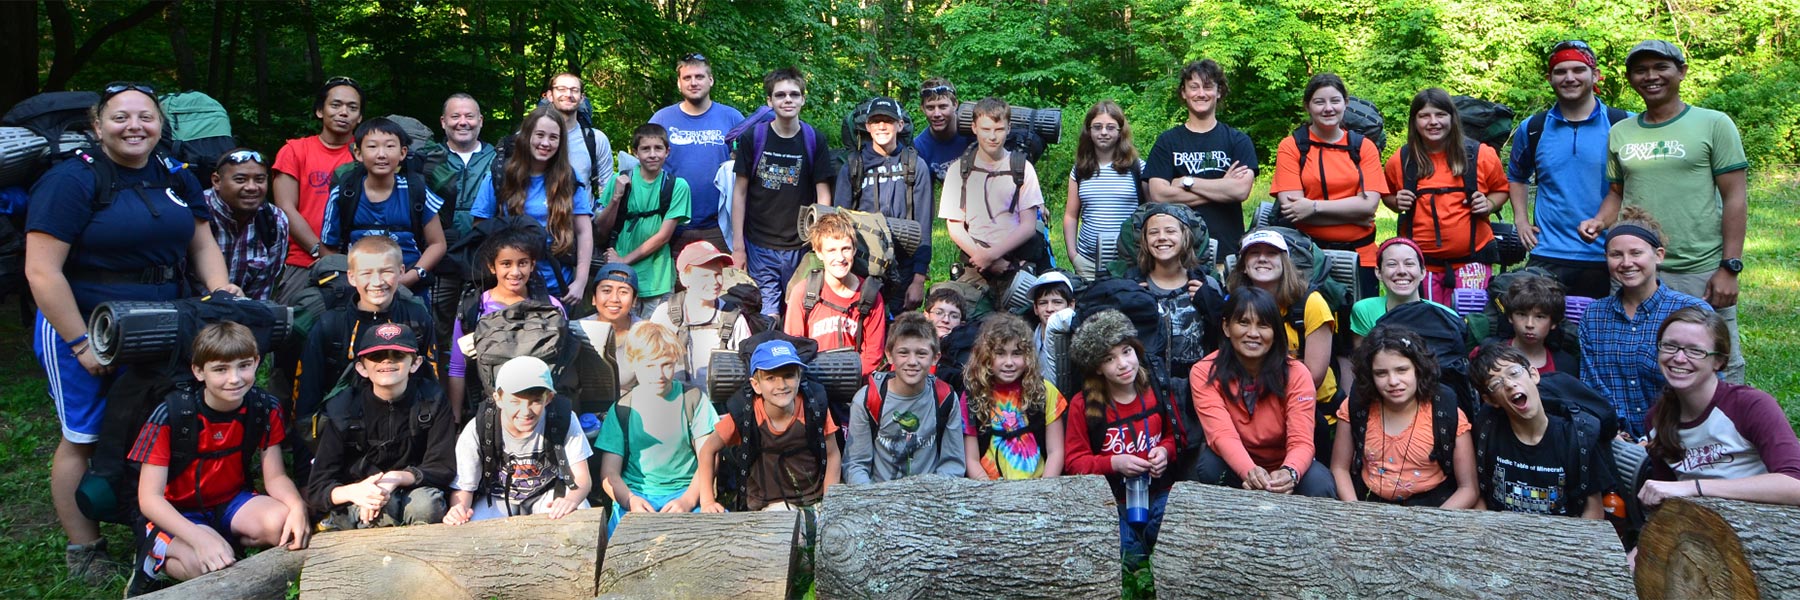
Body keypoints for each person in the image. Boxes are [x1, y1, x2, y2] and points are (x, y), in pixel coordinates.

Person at [24, 82, 237, 585]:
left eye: (146, 116)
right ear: (97, 125)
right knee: (83, 435)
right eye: (120, 117)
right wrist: (80, 342)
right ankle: (84, 547)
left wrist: (221, 290)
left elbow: (201, 242)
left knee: (150, 425)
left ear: (161, 125)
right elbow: (41, 271)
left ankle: (151, 525)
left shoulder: (174, 174)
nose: (134, 126)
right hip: (86, 320)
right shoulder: (71, 180)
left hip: (162, 318)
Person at [1579, 40, 1750, 385]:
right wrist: (1599, 220)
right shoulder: (1621, 131)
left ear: (1681, 72)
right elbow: (1617, 193)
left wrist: (1729, 267)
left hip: (1696, 268)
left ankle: (1723, 422)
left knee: (1715, 361)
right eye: (1640, 70)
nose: (1651, 76)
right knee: (1633, 359)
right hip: (1634, 266)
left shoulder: (1714, 123)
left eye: (1661, 67)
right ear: (1630, 78)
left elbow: (1735, 197)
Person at [126, 323, 308, 593]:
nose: (234, 379)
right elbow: (150, 499)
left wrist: (297, 507)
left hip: (230, 501)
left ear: (257, 362)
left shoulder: (263, 407)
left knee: (284, 523)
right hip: (177, 512)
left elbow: (276, 477)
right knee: (206, 567)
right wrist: (197, 537)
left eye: (244, 366)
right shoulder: (172, 415)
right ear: (199, 371)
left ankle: (222, 542)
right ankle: (153, 561)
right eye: (221, 369)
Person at [1638, 307, 1800, 507]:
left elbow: (1795, 483)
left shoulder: (1750, 406)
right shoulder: (1656, 419)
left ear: (1719, 361)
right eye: (1670, 346)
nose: (1679, 358)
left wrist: (1695, 487)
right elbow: (1664, 495)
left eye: (1695, 351)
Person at [306, 322, 456, 530]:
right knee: (384, 506)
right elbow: (317, 488)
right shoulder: (343, 409)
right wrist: (355, 492)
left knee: (425, 506)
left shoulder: (433, 401)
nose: (387, 360)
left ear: (415, 363)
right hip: (361, 497)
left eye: (398, 355)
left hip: (415, 491)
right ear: (361, 367)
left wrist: (396, 478)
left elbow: (443, 468)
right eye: (376, 356)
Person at [1506, 41, 1627, 299]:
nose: (1569, 78)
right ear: (1550, 78)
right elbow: (1517, 176)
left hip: (1611, 254)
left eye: (1578, 70)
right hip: (1548, 254)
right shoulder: (1533, 128)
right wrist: (1521, 221)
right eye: (1560, 71)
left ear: (1595, 75)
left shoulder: (1623, 124)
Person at [1190, 287, 1336, 497]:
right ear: (1226, 327)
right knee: (1209, 466)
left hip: (1285, 461)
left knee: (1320, 483)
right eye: (1243, 322)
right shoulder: (1204, 372)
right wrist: (1249, 471)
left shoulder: (1297, 373)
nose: (1253, 333)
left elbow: (1301, 440)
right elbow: (1221, 435)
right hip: (1237, 463)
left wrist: (1290, 471)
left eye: (1263, 325)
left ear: (1275, 332)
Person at [1579, 207, 1708, 441]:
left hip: (1679, 438)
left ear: (1658, 255)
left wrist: (1659, 438)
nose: (1626, 262)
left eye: (1636, 253)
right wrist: (1614, 431)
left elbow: (1705, 385)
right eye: (1616, 255)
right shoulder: (1594, 315)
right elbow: (1591, 383)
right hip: (1615, 440)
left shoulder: (1691, 312)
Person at [1063, 310, 1180, 566]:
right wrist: (1113, 463)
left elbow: (1175, 436)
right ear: (1098, 367)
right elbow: (1074, 462)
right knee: (1130, 554)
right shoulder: (1083, 405)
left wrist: (1164, 451)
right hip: (1111, 498)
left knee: (1164, 530)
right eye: (1109, 358)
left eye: (1127, 352)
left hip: (1158, 491)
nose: (1123, 364)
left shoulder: (1156, 388)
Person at [294, 236, 438, 430]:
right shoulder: (330, 324)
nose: (377, 282)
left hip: (405, 426)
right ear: (351, 277)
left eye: (387, 271)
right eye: (366, 273)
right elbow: (306, 391)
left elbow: (432, 380)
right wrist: (306, 440)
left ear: (401, 272)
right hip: (342, 429)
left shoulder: (417, 318)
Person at [1383, 87, 1509, 305]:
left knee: (1472, 320)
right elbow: (1386, 194)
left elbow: (1502, 189)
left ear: (1453, 118)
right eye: (1424, 116)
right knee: (1429, 319)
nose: (1433, 122)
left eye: (1440, 114)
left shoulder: (1481, 154)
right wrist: (1396, 202)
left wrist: (1489, 204)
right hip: (1421, 266)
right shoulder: (1401, 160)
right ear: (1414, 121)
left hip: (1472, 262)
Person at [1329, 325, 1477, 508]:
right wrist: (1357, 511)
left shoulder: (1445, 412)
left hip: (1434, 507)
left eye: (1402, 370)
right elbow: (1339, 468)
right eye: (1381, 373)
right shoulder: (1356, 407)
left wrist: (1434, 520)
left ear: (1418, 369)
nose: (1393, 381)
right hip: (1368, 503)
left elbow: (1468, 488)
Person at [1270, 73, 1387, 297]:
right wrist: (1353, 215)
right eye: (1319, 102)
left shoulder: (1364, 147)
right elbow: (1293, 210)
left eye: (1335, 101)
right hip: (1306, 255)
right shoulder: (1291, 146)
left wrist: (1313, 207)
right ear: (1307, 106)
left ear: (1345, 103)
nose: (1328, 108)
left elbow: (1369, 206)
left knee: (1360, 317)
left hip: (1361, 255)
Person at [731, 67, 834, 317]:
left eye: (794, 94)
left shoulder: (814, 139)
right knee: (767, 315)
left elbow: (823, 195)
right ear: (769, 101)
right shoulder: (754, 138)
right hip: (759, 245)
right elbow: (739, 193)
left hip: (802, 246)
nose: (788, 100)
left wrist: (820, 243)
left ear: (803, 99)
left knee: (800, 313)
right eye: (780, 95)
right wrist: (738, 247)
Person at [596, 322, 718, 531]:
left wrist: (689, 500)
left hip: (686, 491)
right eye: (650, 366)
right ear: (633, 363)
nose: (659, 374)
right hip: (637, 494)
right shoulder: (623, 409)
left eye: (666, 365)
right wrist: (630, 500)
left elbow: (709, 456)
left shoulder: (693, 400)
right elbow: (609, 473)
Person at [696, 338, 842, 511]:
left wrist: (830, 501)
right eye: (771, 378)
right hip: (763, 506)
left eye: (788, 375)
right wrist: (707, 501)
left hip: (812, 501)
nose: (781, 385)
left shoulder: (813, 408)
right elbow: (708, 450)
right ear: (756, 385)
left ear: (799, 377)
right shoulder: (746, 414)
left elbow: (832, 454)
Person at [1469, 342, 1611, 518]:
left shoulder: (1576, 436)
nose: (1510, 384)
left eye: (1514, 373)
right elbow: (1480, 496)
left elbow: (1593, 510)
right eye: (1496, 383)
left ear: (1534, 374)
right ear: (1490, 400)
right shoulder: (1487, 432)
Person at [444, 356, 592, 524]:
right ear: (498, 399)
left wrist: (571, 500)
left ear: (549, 398)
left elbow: (581, 477)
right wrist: (459, 509)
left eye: (535, 401)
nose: (525, 411)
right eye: (515, 401)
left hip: (547, 493)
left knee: (578, 514)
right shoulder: (479, 428)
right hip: (497, 497)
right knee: (471, 526)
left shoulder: (563, 419)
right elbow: (464, 487)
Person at [471, 106, 594, 305]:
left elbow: (584, 231)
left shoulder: (569, 178)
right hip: (509, 286)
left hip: (556, 286)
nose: (545, 143)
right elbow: (480, 228)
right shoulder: (501, 175)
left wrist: (581, 281)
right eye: (540, 135)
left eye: (553, 137)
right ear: (527, 135)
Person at [445, 228, 567, 420]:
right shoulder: (473, 309)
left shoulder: (551, 307)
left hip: (540, 411)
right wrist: (456, 419)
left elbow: (564, 364)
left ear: (533, 265)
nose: (515, 272)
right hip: (490, 412)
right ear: (492, 267)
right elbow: (457, 367)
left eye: (523, 263)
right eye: (506, 264)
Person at [940, 97, 1050, 304]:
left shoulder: (1022, 168)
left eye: (999, 129)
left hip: (1016, 261)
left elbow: (1028, 225)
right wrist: (985, 259)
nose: (992, 136)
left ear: (1009, 128)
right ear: (974, 128)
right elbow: (954, 226)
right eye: (986, 129)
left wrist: (994, 256)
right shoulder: (958, 171)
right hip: (975, 262)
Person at [319, 117, 448, 293]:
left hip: (410, 286)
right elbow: (327, 246)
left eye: (390, 146)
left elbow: (437, 243)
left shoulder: (417, 192)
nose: (381, 154)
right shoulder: (343, 194)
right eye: (372, 146)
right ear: (358, 153)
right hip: (357, 288)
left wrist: (412, 276)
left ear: (403, 152)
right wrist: (350, 279)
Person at [1145, 59, 1258, 256]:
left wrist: (1186, 182)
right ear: (1184, 92)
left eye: (1207, 87)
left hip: (1226, 251)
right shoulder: (1167, 141)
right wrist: (1222, 188)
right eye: (1194, 87)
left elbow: (1240, 190)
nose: (1201, 93)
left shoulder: (1238, 140)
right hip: (1177, 255)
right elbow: (1159, 195)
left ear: (1219, 92)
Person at [835, 96, 933, 312]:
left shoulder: (915, 165)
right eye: (875, 121)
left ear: (900, 125)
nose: (881, 126)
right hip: (862, 267)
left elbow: (924, 225)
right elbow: (838, 223)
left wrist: (918, 280)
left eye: (888, 121)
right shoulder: (853, 166)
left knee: (900, 328)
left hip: (904, 266)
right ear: (867, 126)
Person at [844, 313, 967, 483]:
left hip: (931, 493)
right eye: (903, 353)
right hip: (878, 493)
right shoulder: (867, 399)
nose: (912, 361)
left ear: (935, 358)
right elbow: (856, 464)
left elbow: (952, 463)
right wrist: (871, 496)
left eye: (921, 354)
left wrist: (934, 494)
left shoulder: (945, 398)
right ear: (889, 354)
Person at [1224, 229, 1338, 410]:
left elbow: (1313, 376)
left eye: (1271, 253)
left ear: (1285, 263)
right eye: (1254, 253)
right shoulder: (1234, 304)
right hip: (1251, 407)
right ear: (1244, 265)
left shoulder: (1312, 303)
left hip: (1312, 408)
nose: (1262, 258)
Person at [272, 76, 364, 299]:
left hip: (359, 264)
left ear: (360, 117)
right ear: (320, 111)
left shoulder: (366, 155)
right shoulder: (295, 150)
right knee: (295, 317)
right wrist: (319, 251)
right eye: (336, 105)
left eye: (352, 108)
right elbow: (285, 207)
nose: (344, 112)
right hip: (303, 260)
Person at [651, 52, 744, 253]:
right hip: (671, 225)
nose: (693, 83)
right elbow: (646, 169)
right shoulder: (661, 119)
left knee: (724, 275)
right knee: (673, 275)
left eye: (699, 77)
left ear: (711, 80)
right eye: (687, 78)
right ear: (679, 83)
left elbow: (747, 169)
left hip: (720, 226)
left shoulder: (732, 118)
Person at [1122, 203, 1226, 377]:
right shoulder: (1131, 287)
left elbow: (1226, 335)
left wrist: (1212, 305)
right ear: (1144, 241)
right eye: (1153, 232)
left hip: (1199, 381)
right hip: (1147, 383)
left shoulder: (1206, 285)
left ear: (1186, 237)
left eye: (1170, 231)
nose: (1162, 237)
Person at [428, 93, 499, 345]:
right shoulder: (430, 158)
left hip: (485, 257)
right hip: (441, 258)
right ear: (443, 122)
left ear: (480, 120)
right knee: (439, 326)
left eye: (469, 116)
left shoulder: (498, 159)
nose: (463, 122)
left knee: (484, 322)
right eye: (455, 116)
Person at [961, 313, 1066, 480]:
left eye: (1017, 353)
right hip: (989, 485)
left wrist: (1045, 487)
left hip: (1039, 484)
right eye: (1000, 353)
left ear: (1028, 356)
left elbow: (1056, 451)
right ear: (985, 356)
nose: (1009, 362)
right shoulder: (972, 395)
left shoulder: (1045, 391)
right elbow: (971, 459)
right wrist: (986, 488)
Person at [599, 123, 690, 313]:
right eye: (645, 149)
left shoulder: (677, 186)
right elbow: (601, 228)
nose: (652, 154)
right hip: (619, 277)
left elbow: (663, 236)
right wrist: (616, 198)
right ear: (635, 152)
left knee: (654, 330)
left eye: (658, 148)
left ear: (667, 151)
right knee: (619, 329)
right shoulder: (619, 180)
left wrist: (623, 260)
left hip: (657, 278)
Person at [783, 212, 888, 376]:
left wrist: (846, 379)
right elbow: (793, 348)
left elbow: (873, 355)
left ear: (854, 249)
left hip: (855, 380)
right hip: (812, 378)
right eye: (831, 250)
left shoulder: (870, 296)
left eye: (846, 249)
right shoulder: (803, 293)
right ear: (819, 252)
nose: (840, 258)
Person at [650, 240, 753, 390]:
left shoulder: (733, 317)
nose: (715, 282)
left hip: (720, 401)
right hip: (674, 399)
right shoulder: (664, 315)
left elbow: (748, 365)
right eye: (705, 275)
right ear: (684, 278)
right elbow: (648, 362)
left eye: (718, 274)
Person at [1063, 100, 1146, 280]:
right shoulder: (1080, 169)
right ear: (1088, 130)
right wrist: (1073, 255)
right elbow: (1071, 215)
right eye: (1097, 127)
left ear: (1120, 131)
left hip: (1129, 264)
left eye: (1110, 127)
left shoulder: (1137, 168)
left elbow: (1151, 213)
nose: (1103, 132)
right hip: (1087, 263)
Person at [203, 148, 289, 301]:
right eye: (240, 180)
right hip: (188, 308)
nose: (251, 187)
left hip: (243, 309)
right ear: (216, 181)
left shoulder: (274, 221)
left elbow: (262, 290)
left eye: (259, 180)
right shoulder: (196, 214)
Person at [1347, 237, 1456, 345]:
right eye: (1392, 264)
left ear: (1423, 272)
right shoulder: (1366, 310)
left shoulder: (1446, 316)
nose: (1401, 271)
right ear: (1378, 272)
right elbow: (1361, 355)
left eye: (1409, 264)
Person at [1486, 273, 1580, 376]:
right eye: (1522, 314)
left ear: (1553, 322)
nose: (1529, 324)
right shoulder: (1488, 354)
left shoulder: (1566, 365)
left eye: (1540, 317)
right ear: (1510, 317)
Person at [542, 71, 613, 191]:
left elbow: (606, 190)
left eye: (574, 90)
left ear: (581, 98)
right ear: (550, 95)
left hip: (584, 204)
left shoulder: (596, 140)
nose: (568, 94)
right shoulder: (530, 138)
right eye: (561, 89)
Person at [912, 78, 973, 184]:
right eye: (930, 108)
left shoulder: (974, 130)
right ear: (922, 108)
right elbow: (925, 190)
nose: (937, 114)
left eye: (943, 107)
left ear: (955, 105)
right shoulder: (920, 147)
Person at [1027, 272, 1075, 386]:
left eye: (1057, 302)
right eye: (1043, 303)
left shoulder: (1075, 336)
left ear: (1071, 305)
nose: (1049, 309)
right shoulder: (1028, 334)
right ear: (1035, 308)